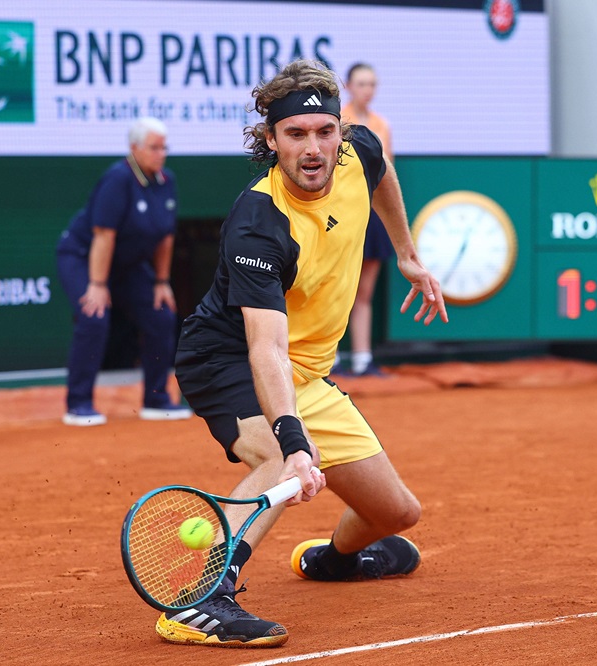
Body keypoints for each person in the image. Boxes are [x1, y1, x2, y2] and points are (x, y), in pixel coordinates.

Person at [156, 59, 448, 649]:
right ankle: (199, 602)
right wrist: (293, 445)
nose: (313, 149)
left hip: (307, 371)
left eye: (324, 132)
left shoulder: (357, 152)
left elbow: (382, 171)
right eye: (295, 135)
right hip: (228, 358)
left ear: (341, 133)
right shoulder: (258, 223)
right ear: (271, 140)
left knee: (395, 516)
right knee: (275, 458)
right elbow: (265, 349)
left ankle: (332, 562)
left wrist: (406, 254)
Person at [55, 117, 192, 426]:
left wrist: (161, 281)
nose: (161, 153)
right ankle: (79, 404)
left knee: (161, 315)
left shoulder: (166, 181)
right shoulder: (117, 179)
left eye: (164, 147)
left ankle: (156, 399)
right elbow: (104, 235)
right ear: (134, 148)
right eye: (154, 147)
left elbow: (165, 237)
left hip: (129, 267)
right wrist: (98, 284)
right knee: (94, 316)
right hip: (82, 257)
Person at [337, 62, 394, 376]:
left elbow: (387, 174)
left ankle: (362, 359)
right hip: (343, 215)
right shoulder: (337, 121)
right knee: (335, 287)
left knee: (364, 291)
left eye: (372, 84)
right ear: (348, 86)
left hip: (372, 215)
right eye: (361, 83)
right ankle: (327, 362)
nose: (367, 90)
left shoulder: (381, 124)